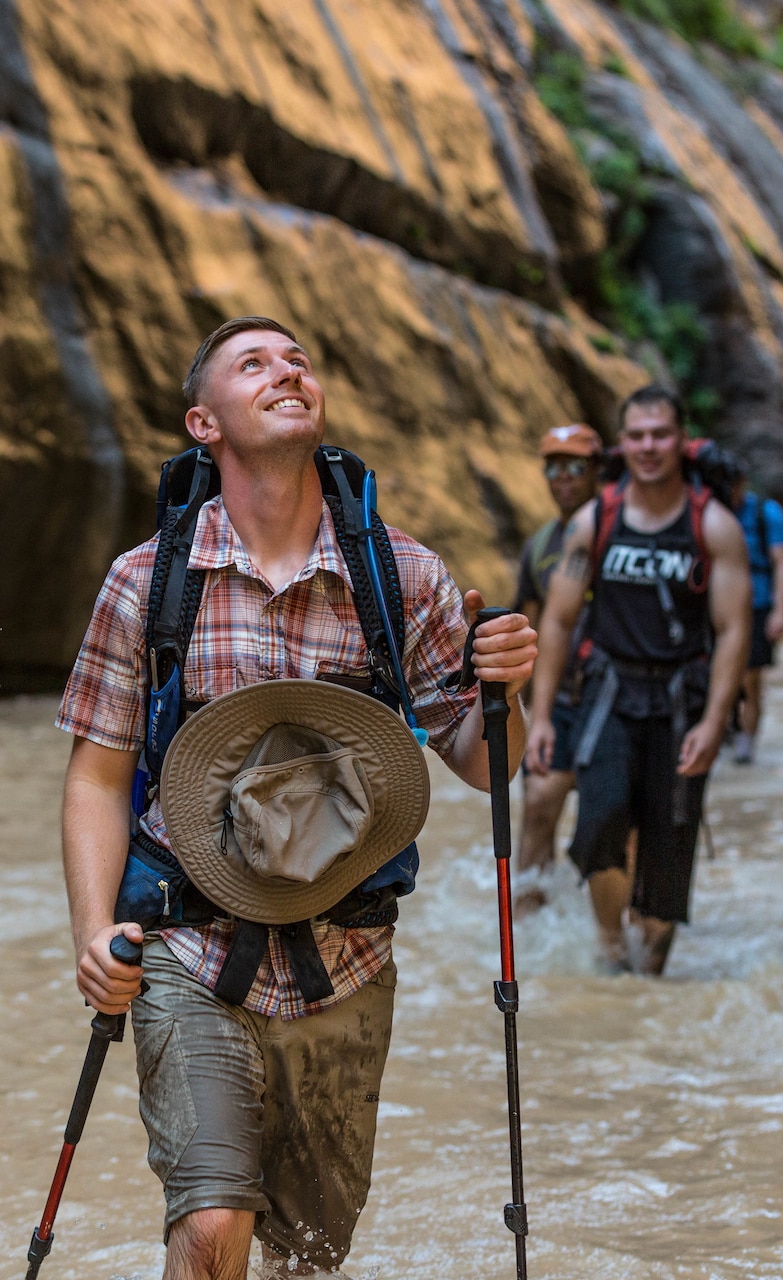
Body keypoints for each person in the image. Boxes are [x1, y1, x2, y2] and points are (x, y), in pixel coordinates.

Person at [56, 316, 537, 1280]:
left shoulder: (403, 576)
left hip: (348, 960)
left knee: (308, 1258)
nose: (288, 371)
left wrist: (508, 689)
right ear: (206, 422)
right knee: (211, 1222)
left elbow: (489, 765)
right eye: (255, 363)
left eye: (299, 361)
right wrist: (93, 933)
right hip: (188, 949)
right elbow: (98, 773)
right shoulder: (146, 583)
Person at [526, 384, 751, 976]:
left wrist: (714, 721)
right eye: (638, 435)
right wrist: (542, 715)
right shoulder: (594, 521)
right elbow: (557, 618)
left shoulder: (715, 527)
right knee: (600, 825)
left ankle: (649, 973)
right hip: (608, 693)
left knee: (669, 843)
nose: (649, 446)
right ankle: (608, 949)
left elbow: (733, 632)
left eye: (660, 434)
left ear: (681, 441)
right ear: (623, 445)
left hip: (681, 700)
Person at [513, 423, 603, 910]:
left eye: (575, 467)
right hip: (559, 700)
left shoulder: (619, 527)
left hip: (613, 697)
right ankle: (527, 928)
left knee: (612, 819)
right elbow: (526, 626)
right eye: (553, 467)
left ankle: (610, 929)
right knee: (539, 807)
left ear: (597, 472)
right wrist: (527, 711)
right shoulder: (540, 545)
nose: (563, 478)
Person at [729, 471, 783, 764]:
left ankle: (746, 738)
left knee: (750, 678)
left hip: (757, 604)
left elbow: (782, 561)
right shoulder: (709, 510)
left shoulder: (765, 512)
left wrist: (780, 610)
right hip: (719, 607)